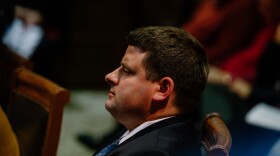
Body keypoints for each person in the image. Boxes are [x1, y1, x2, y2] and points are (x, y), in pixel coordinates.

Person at [93, 26, 209, 156]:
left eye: (127, 70)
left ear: (163, 89)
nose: (110, 76)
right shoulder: (144, 127)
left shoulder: (152, 152)